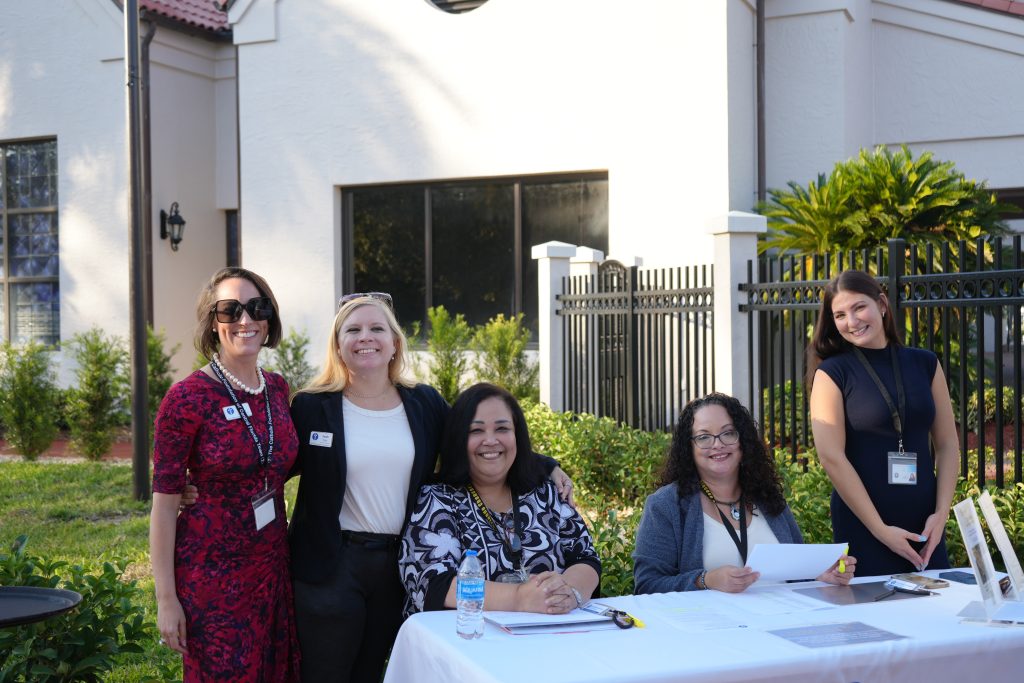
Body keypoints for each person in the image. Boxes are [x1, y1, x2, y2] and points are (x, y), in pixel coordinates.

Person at [288, 295, 574, 683]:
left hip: (395, 564)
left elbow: (473, 441)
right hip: (330, 564)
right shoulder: (311, 407)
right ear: (338, 345)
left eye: (376, 328)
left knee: (370, 672)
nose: (365, 337)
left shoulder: (422, 402)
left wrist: (547, 466)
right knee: (325, 674)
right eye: (352, 330)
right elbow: (272, 465)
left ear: (394, 343)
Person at [150, 267, 300, 682]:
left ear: (269, 318)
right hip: (212, 575)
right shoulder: (186, 399)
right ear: (212, 324)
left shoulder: (277, 389)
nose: (245, 320)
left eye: (257, 307)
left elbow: (275, 462)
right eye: (230, 310)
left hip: (272, 565)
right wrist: (166, 599)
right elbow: (163, 507)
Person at [400, 382, 601, 616]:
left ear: (517, 435)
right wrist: (518, 598)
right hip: (466, 635)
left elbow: (586, 557)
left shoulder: (546, 492)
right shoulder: (437, 499)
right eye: (476, 431)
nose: (490, 440)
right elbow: (432, 584)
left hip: (549, 633)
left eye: (502, 428)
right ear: (458, 439)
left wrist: (569, 593)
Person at [807, 270, 958, 576]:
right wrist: (880, 530)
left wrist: (941, 514)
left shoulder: (925, 363)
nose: (852, 321)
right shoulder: (832, 373)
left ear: (882, 304)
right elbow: (831, 456)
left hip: (925, 525)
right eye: (840, 315)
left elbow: (947, 444)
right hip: (865, 526)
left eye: (859, 307)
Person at [633, 393, 855, 594]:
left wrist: (821, 574)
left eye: (728, 433)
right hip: (712, 625)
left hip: (782, 619)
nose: (717, 444)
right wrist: (706, 580)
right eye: (703, 437)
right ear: (689, 447)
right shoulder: (666, 505)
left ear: (743, 441)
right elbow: (647, 585)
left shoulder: (768, 497)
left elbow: (796, 567)